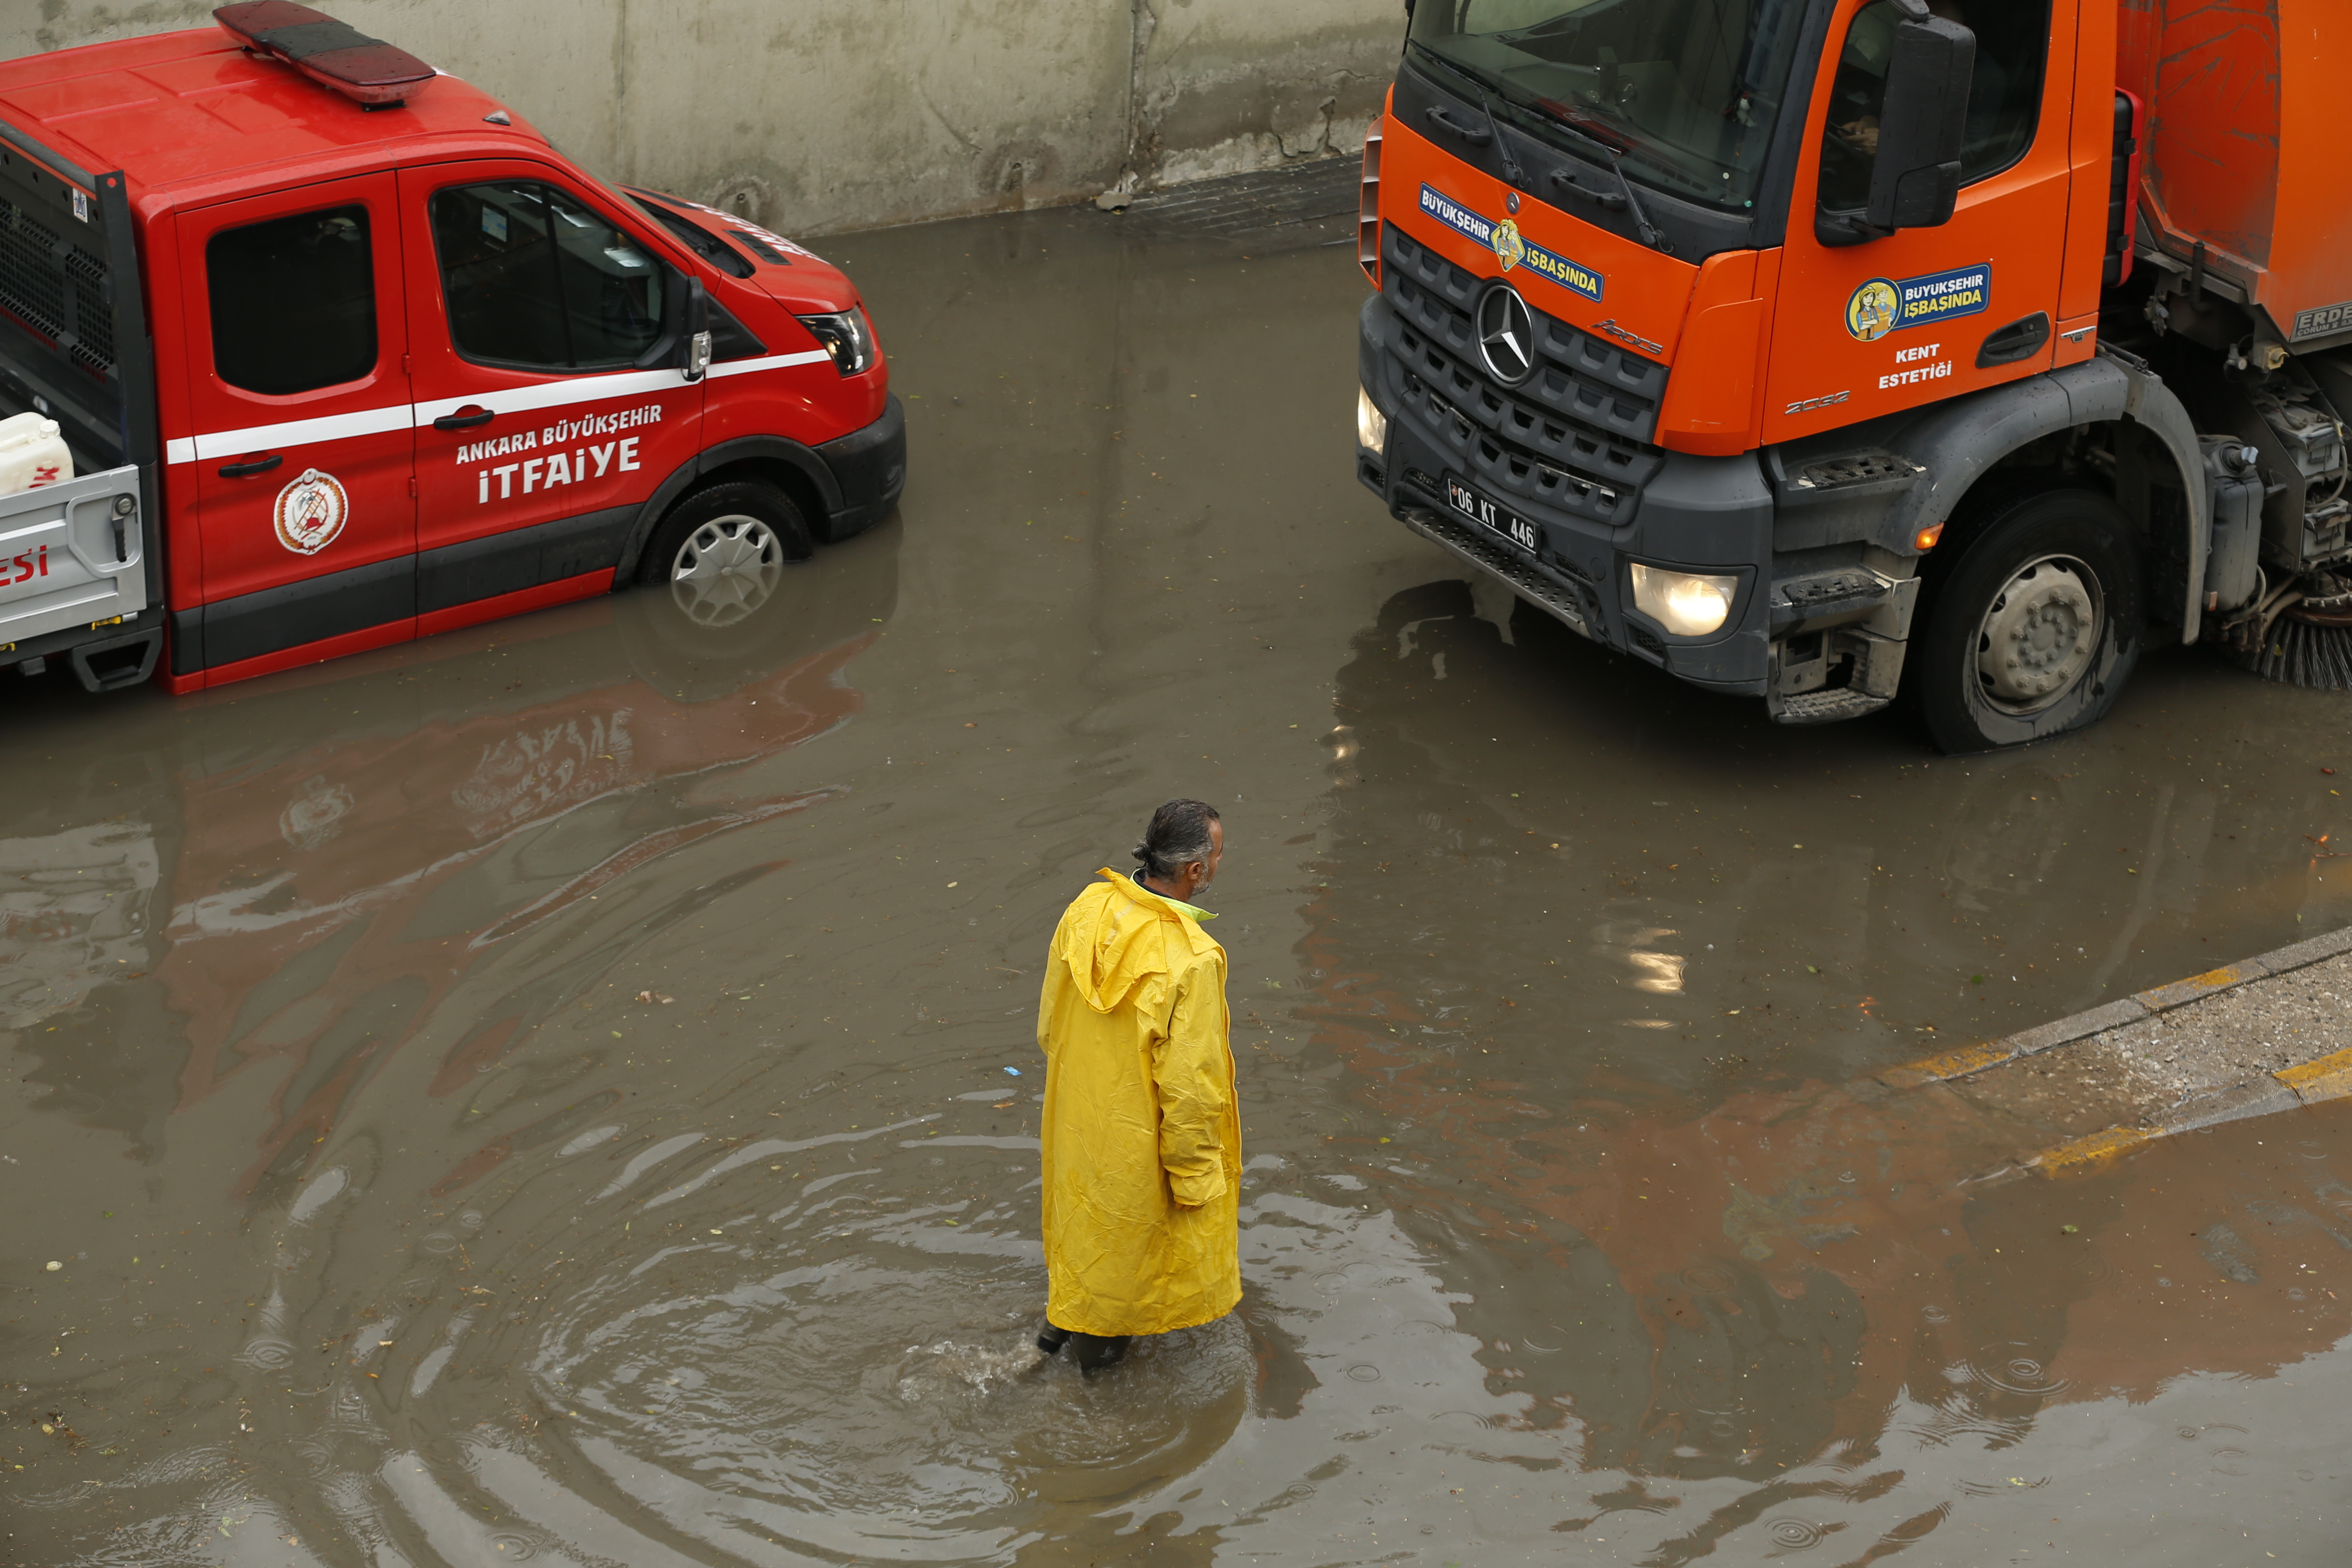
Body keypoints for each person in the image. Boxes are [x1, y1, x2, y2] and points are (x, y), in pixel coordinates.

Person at [1033, 799, 1240, 1372]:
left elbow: (1050, 1020)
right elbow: (1192, 1088)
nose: (1221, 863)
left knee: (1083, 1236)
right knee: (1128, 1273)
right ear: (1196, 871)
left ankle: (1050, 1340)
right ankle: (1095, 1411)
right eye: (1219, 853)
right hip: (1136, 1142)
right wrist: (1195, 1180)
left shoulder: (1089, 907)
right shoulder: (1192, 959)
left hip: (1077, 1115)